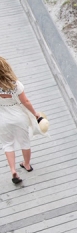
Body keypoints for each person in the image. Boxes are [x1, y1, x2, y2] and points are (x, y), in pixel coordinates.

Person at [0, 56, 41, 184]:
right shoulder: (15, 84)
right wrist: (35, 114)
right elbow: (26, 101)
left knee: (7, 144)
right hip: (19, 116)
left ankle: (13, 170)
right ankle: (27, 165)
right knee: (24, 142)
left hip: (3, 118)